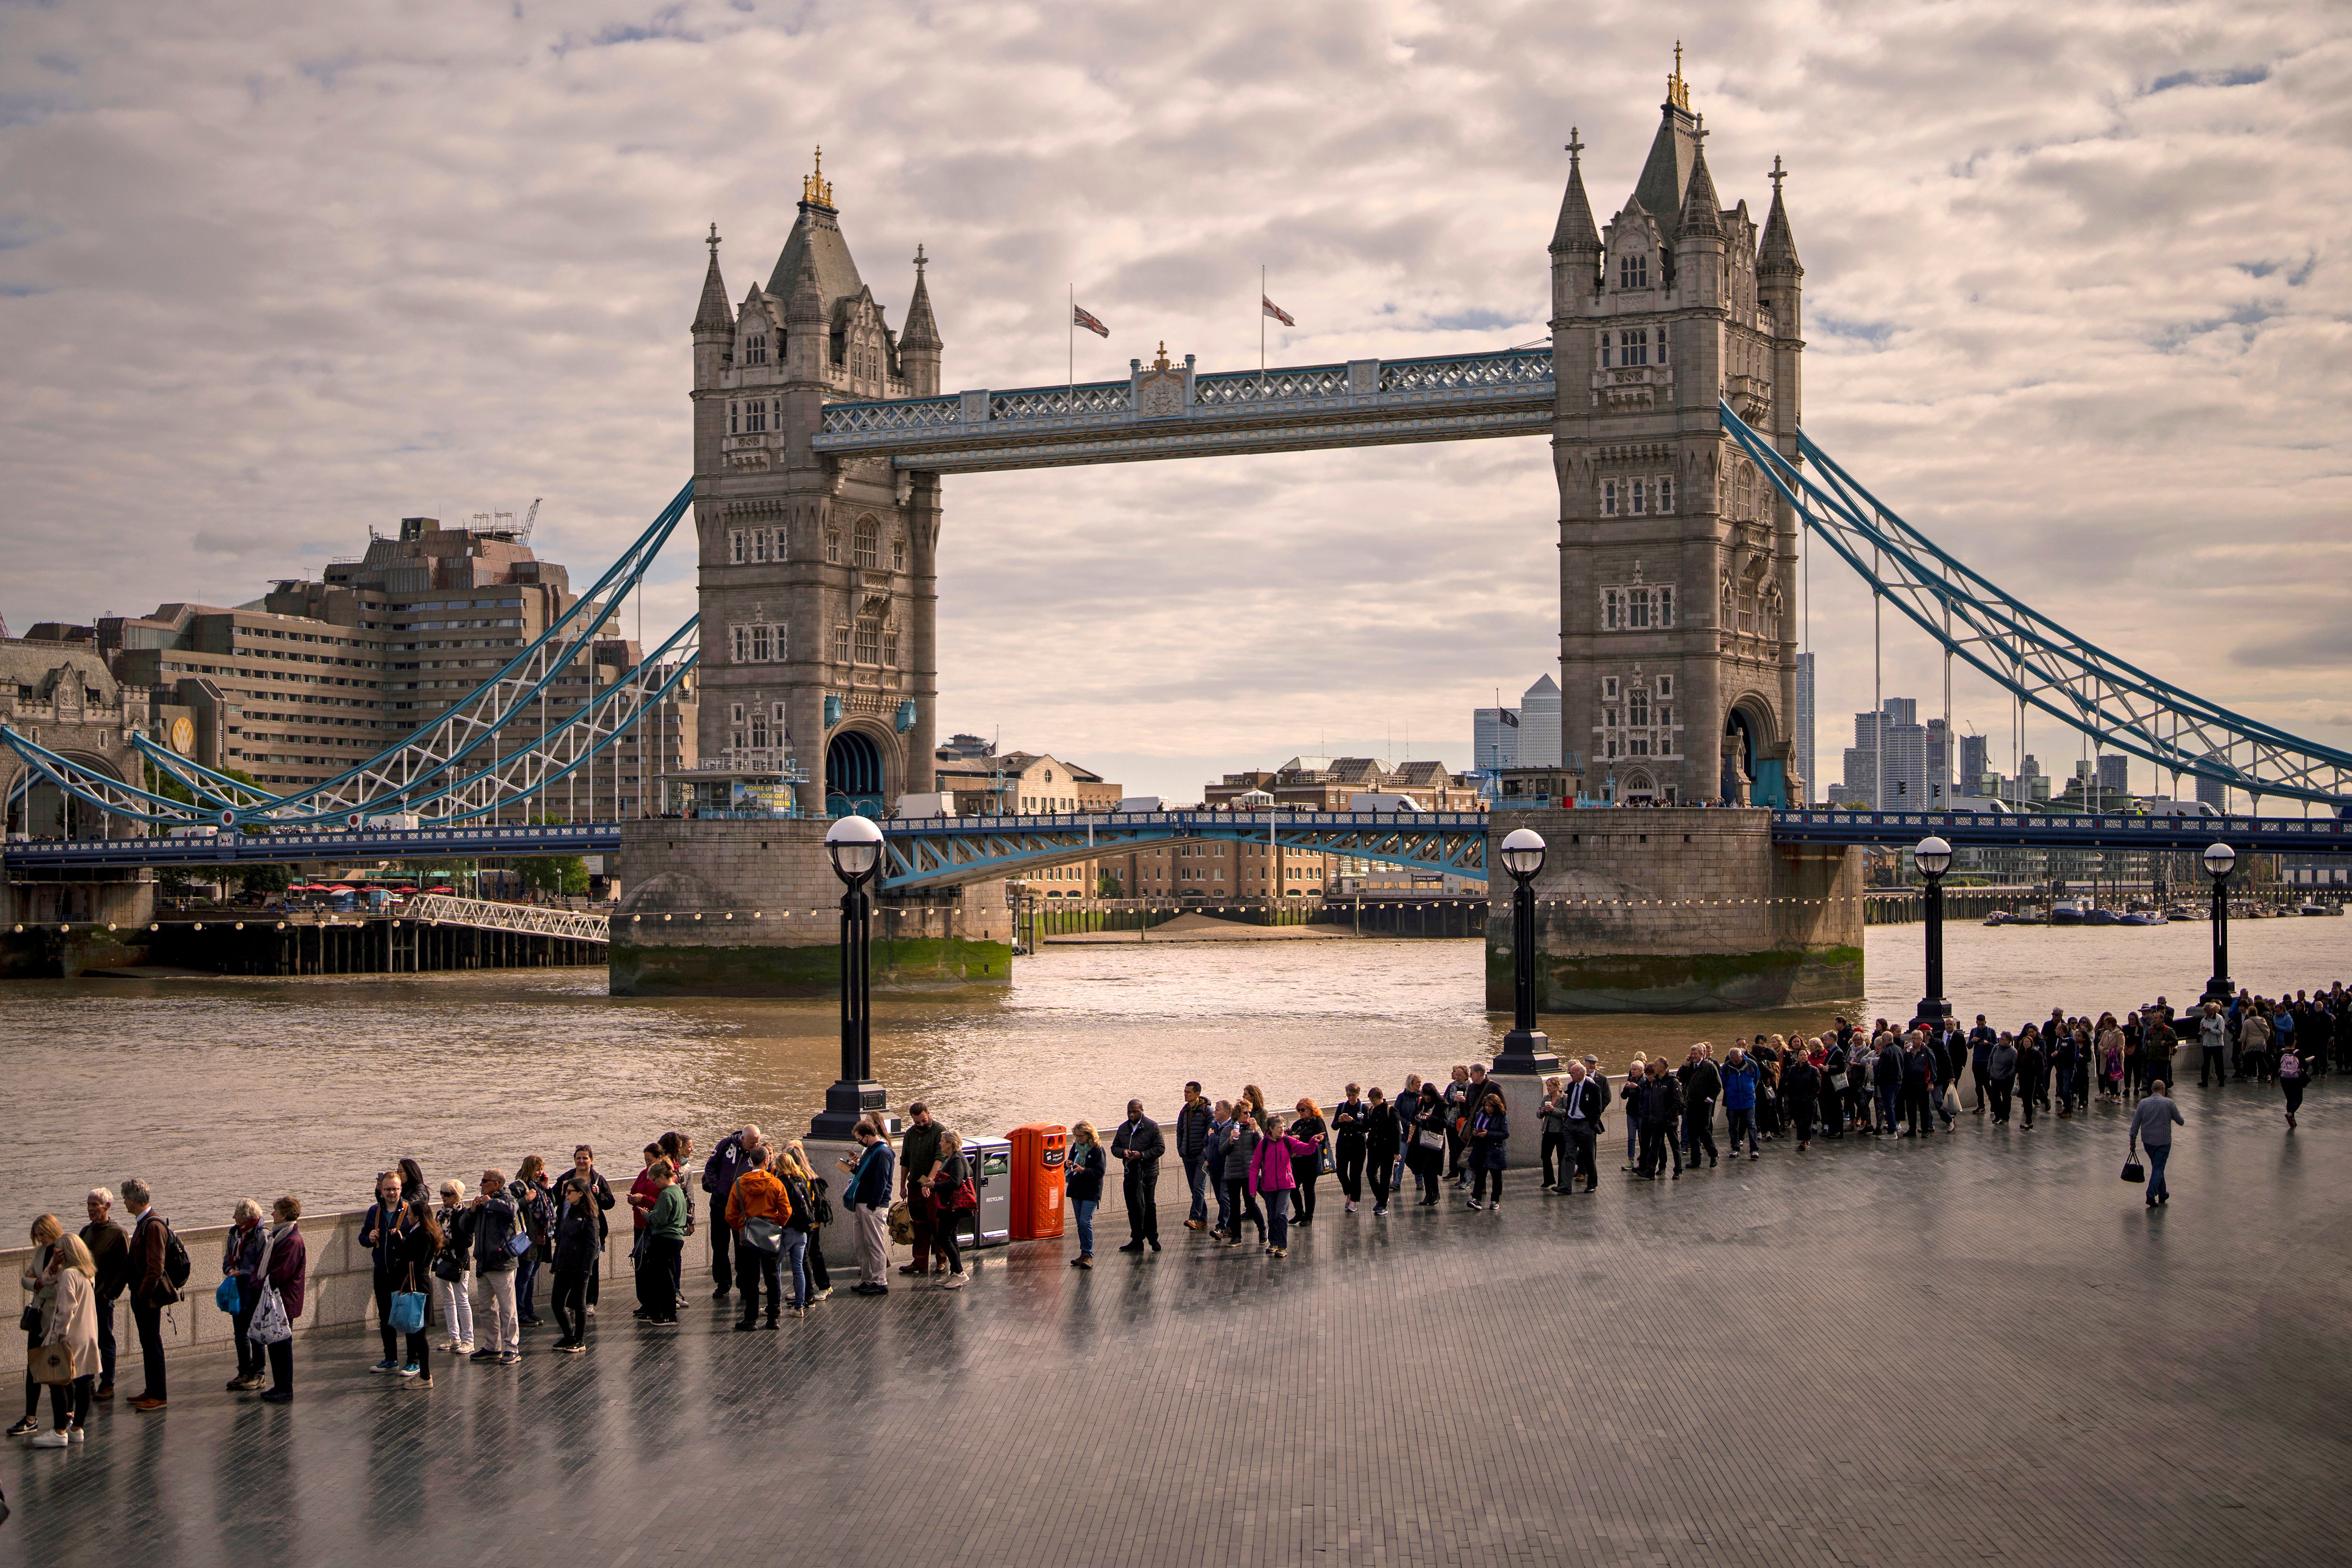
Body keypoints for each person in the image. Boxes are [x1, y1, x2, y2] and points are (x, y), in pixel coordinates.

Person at [27, 1234, 98, 1448]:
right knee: (84, 1380)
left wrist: (56, 1338)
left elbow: (66, 1310)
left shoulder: (68, 1274)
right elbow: (49, 1280)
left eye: (58, 1251)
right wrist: (55, 1265)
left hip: (69, 1335)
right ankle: (77, 1430)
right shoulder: (87, 1273)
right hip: (88, 1333)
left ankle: (59, 1432)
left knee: (56, 1380)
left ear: (65, 1251)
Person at [118, 1179, 176, 1413]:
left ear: (133, 1200)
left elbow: (156, 1268)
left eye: (125, 1198)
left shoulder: (152, 1226)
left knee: (153, 1345)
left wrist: (142, 1295)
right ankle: (151, 1390)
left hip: (148, 1298)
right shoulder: (145, 1223)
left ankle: (159, 1395)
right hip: (143, 1296)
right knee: (148, 1343)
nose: (124, 1202)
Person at [12, 1216, 64, 1439]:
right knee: (33, 1366)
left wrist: (38, 1283)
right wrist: (38, 1282)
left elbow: (58, 1288)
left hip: (55, 1319)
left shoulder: (62, 1252)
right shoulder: (41, 1252)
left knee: (58, 1369)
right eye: (37, 1235)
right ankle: (30, 1418)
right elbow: (26, 1279)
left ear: (52, 1230)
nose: (39, 1239)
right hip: (38, 1315)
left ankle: (67, 1416)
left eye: (42, 1234)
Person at [725, 1146, 788, 1327]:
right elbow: (786, 1211)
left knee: (750, 1277)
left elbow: (730, 1213)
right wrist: (777, 1225)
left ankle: (750, 1318)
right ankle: (773, 1317)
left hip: (748, 1236)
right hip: (770, 1235)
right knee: (772, 1276)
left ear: (750, 1161)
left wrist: (741, 1228)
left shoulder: (740, 1183)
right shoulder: (776, 1183)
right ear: (767, 1161)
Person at [700, 1125, 764, 1302]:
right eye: (752, 1142)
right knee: (719, 1246)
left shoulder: (758, 1153)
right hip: (720, 1205)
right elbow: (710, 1167)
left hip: (742, 1209)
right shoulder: (726, 1145)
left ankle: (744, 1284)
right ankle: (723, 1284)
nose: (755, 1146)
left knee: (742, 1246)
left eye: (757, 1142)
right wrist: (716, 1187)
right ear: (743, 1139)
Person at [77, 1189, 126, 1403]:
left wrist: (109, 1294)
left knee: (105, 1340)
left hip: (102, 1299)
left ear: (107, 1206)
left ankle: (108, 1384)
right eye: (88, 1205)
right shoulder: (86, 1232)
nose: (90, 1209)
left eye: (95, 1205)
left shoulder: (117, 1233)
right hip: (84, 1298)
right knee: (85, 1341)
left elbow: (124, 1269)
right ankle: (87, 1381)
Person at [468, 1170, 521, 1364]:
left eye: (485, 1181)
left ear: (496, 1184)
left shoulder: (506, 1197)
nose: (481, 1184)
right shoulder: (482, 1202)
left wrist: (488, 1202)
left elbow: (512, 1209)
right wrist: (471, 1211)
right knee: (487, 1308)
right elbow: (465, 1226)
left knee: (507, 1309)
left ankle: (512, 1348)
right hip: (484, 1263)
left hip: (502, 1263)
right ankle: (492, 1347)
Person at [257, 1196, 306, 1401]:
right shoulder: (281, 1236)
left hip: (284, 1301)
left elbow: (282, 1272)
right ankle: (280, 1386)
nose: (272, 1214)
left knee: (282, 1345)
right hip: (279, 1300)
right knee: (276, 1345)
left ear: (284, 1214)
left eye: (275, 1210)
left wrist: (262, 1283)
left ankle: (285, 1389)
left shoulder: (292, 1240)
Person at [839, 1117, 896, 1295]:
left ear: (867, 1136)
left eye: (859, 1138)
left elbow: (883, 1182)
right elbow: (866, 1174)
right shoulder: (870, 1150)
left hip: (873, 1206)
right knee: (861, 1245)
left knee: (875, 1245)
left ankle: (880, 1282)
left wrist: (872, 1205)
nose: (858, 1142)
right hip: (862, 1203)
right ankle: (867, 1279)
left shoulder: (882, 1152)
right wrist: (854, 1168)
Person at [358, 1171, 406, 1375]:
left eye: (395, 1189)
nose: (391, 1193)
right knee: (385, 1316)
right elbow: (362, 1238)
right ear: (381, 1190)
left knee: (408, 1315)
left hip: (403, 1272)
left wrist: (402, 1240)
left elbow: (420, 1240)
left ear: (401, 1189)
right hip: (381, 1271)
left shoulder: (409, 1210)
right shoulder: (374, 1211)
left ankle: (414, 1360)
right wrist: (369, 1238)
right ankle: (391, 1358)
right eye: (387, 1189)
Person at [221, 1198, 270, 1392]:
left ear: (247, 1216)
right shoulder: (234, 1234)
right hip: (238, 1291)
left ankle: (259, 1373)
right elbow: (227, 1258)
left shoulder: (262, 1235)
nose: (234, 1217)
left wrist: (244, 1272)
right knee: (240, 1334)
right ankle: (244, 1371)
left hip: (254, 1290)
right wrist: (229, 1270)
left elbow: (263, 1265)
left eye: (237, 1214)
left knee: (255, 1332)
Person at [1249, 1114, 1313, 1258]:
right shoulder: (1264, 1144)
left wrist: (1314, 1142)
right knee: (1272, 1216)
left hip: (1286, 1184)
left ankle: (1283, 1246)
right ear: (1271, 1129)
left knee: (1281, 1214)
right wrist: (1253, 1189)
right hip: (1269, 1186)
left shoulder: (1287, 1141)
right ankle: (1274, 1243)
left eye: (1284, 1126)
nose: (1283, 1129)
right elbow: (1254, 1167)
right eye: (1279, 1127)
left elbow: (1307, 1150)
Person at [549, 1175, 600, 1352]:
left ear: (580, 1194)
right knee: (557, 1303)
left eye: (570, 1192)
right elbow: (562, 1240)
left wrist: (586, 1270)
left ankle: (579, 1340)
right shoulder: (569, 1212)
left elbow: (592, 1245)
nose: (566, 1194)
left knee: (579, 1304)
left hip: (579, 1268)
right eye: (566, 1191)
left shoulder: (589, 1216)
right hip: (564, 1265)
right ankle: (568, 1336)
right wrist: (556, 1263)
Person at [635, 1158, 687, 1326]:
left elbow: (660, 1219)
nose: (655, 1184)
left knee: (664, 1278)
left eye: (655, 1180)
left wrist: (647, 1215)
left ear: (663, 1176)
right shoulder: (678, 1191)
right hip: (675, 1238)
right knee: (666, 1276)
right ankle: (661, 1311)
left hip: (665, 1238)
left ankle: (669, 1314)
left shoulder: (666, 1194)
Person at [1112, 1099, 1166, 1254]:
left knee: (1148, 1205)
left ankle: (1153, 1239)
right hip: (1130, 1173)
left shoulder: (1152, 1126)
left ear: (1142, 1111)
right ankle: (1137, 1239)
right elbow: (1114, 1147)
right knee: (1133, 1206)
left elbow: (1160, 1148)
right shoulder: (1123, 1128)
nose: (1132, 1115)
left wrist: (1142, 1155)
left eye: (1135, 1112)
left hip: (1148, 1173)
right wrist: (1123, 1152)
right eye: (1129, 1112)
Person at [567, 1146, 616, 1311]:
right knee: (571, 1266)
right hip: (571, 1229)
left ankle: (590, 1302)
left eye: (585, 1158)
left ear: (592, 1161)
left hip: (591, 1230)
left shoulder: (598, 1180)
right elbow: (555, 1197)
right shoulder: (568, 1178)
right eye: (578, 1158)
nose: (581, 1161)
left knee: (591, 1267)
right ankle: (571, 1302)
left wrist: (598, 1195)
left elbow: (610, 1203)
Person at [509, 1157, 556, 1328]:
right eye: (537, 1169)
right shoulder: (518, 1187)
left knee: (531, 1277)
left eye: (542, 1169)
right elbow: (509, 1207)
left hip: (540, 1238)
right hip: (527, 1239)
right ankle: (520, 1313)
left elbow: (552, 1206)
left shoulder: (539, 1187)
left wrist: (546, 1188)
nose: (541, 1173)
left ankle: (529, 1310)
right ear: (529, 1169)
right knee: (523, 1278)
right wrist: (526, 1200)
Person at [898, 1105, 944, 1280]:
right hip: (915, 1185)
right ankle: (920, 1261)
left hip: (932, 1186)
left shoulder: (939, 1131)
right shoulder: (910, 1134)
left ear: (929, 1114)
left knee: (936, 1223)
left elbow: (939, 1159)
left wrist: (928, 1183)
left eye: (924, 1121)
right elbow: (905, 1160)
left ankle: (941, 1259)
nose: (921, 1124)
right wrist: (903, 1185)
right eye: (917, 1122)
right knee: (919, 1223)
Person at [774, 1143, 820, 1315]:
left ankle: (775, 1305)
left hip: (787, 1230)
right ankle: (800, 1306)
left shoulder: (780, 1183)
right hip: (803, 1231)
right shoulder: (801, 1179)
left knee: (775, 1267)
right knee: (798, 1267)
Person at [431, 1180, 476, 1357]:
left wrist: (447, 1242)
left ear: (457, 1196)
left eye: (448, 1194)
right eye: (442, 1193)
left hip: (459, 1262)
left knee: (462, 1300)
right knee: (448, 1301)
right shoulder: (441, 1214)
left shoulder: (463, 1214)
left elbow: (468, 1242)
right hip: (442, 1260)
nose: (443, 1197)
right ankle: (454, 1337)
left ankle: (469, 1340)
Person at [928, 1131, 973, 1289]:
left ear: (950, 1143)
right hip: (950, 1205)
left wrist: (935, 1186)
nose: (940, 1144)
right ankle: (955, 1273)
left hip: (953, 1206)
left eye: (942, 1141)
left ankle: (960, 1273)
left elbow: (955, 1182)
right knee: (951, 1237)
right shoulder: (951, 1158)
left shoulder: (956, 1158)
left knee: (943, 1237)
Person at [2130, 1081, 2185, 1207]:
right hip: (2164, 1142)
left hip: (2148, 1143)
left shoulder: (2143, 1104)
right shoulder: (2169, 1103)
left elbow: (2135, 1125)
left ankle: (2163, 1194)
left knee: (2157, 1167)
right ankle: (2151, 1194)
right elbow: (2181, 1121)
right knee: (2159, 1168)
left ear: (2152, 1089)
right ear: (2163, 1090)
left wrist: (2132, 1142)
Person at [1557, 1061, 1605, 1192]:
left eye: (1572, 1073)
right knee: (1569, 1154)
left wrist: (1592, 1124)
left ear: (1581, 1074)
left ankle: (1592, 1185)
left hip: (1585, 1125)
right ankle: (1565, 1186)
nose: (1570, 1075)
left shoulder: (1593, 1087)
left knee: (1589, 1155)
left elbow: (1597, 1108)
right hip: (1571, 1124)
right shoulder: (1572, 1085)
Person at [1173, 1082, 1214, 1232]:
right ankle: (1203, 1220)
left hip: (1201, 1158)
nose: (1185, 1094)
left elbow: (1212, 1132)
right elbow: (1179, 1131)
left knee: (1199, 1187)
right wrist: (1181, 1150)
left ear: (1197, 1094)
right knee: (1194, 1189)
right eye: (1184, 1092)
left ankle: (1194, 1218)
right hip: (1187, 1156)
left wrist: (1206, 1153)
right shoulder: (1184, 1111)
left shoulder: (1207, 1111)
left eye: (1188, 1092)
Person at [1221, 1110, 1266, 1246]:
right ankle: (1237, 1236)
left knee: (1251, 1204)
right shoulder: (1228, 1129)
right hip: (1233, 1173)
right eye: (1245, 1112)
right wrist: (1230, 1140)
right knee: (1234, 1205)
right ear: (1237, 1114)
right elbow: (1222, 1151)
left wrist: (1256, 1131)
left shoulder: (1254, 1129)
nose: (1248, 1115)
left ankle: (1263, 1230)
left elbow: (1263, 1147)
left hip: (1250, 1173)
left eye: (1249, 1112)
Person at [1465, 1090, 1510, 1210]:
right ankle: (1476, 1199)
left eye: (1490, 1106)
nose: (1488, 1108)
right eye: (1486, 1106)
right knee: (1480, 1175)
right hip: (1481, 1148)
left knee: (1496, 1176)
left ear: (1496, 1106)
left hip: (1495, 1150)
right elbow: (1476, 1126)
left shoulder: (1502, 1116)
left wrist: (1489, 1134)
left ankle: (1495, 1200)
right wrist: (1475, 1132)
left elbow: (1505, 1134)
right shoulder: (1481, 1113)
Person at [1287, 1099, 1328, 1225]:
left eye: (1303, 1110)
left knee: (1309, 1188)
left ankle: (1309, 1217)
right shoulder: (1298, 1123)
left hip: (1311, 1160)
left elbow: (1322, 1137)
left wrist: (1301, 1138)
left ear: (1311, 1109)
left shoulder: (1318, 1121)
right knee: (1292, 1188)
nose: (1301, 1112)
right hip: (1297, 1161)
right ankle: (1300, 1213)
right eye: (1299, 1110)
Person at [1406, 1085, 1447, 1207]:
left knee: (1432, 1168)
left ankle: (1436, 1193)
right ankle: (1428, 1194)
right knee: (1424, 1167)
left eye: (1429, 1095)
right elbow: (1412, 1118)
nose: (1427, 1097)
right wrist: (1419, 1117)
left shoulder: (1442, 1105)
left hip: (1434, 1141)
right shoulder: (1421, 1103)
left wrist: (1431, 1118)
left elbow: (1445, 1122)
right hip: (1421, 1140)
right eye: (1425, 1095)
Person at [1332, 1084, 1369, 1214]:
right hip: (1343, 1144)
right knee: (1341, 1171)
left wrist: (1353, 1121)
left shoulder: (1363, 1107)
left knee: (1355, 1174)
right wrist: (1341, 1121)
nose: (1351, 1098)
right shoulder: (1342, 1106)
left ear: (1358, 1095)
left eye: (1353, 1095)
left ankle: (1354, 1200)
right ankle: (1348, 1192)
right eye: (1349, 1095)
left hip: (1358, 1145)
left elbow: (1366, 1128)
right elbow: (1334, 1126)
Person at [1682, 1046, 1721, 1168]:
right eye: (1691, 1054)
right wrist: (1684, 1065)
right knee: (1692, 1132)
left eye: (1695, 1054)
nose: (1693, 1056)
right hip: (1691, 1104)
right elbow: (1681, 1078)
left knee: (1704, 1131)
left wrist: (1709, 1099)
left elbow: (1717, 1085)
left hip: (1704, 1105)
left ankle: (1713, 1154)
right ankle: (1696, 1160)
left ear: (1702, 1054)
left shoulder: (1709, 1067)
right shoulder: (1690, 1067)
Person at [1364, 1089, 1401, 1216]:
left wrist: (1396, 1152)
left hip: (1387, 1150)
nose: (1372, 1102)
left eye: (1373, 1099)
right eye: (1370, 1100)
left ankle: (1383, 1204)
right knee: (1370, 1173)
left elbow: (1397, 1132)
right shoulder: (1372, 1110)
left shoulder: (1391, 1110)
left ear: (1380, 1097)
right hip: (1374, 1148)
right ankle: (1382, 1198)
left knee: (1385, 1177)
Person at [1719, 1047, 1759, 1160]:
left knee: (1751, 1125)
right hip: (1733, 1101)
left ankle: (1754, 1149)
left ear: (1742, 1056)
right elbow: (1723, 1083)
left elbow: (1757, 1079)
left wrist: (1750, 1091)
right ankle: (1735, 1148)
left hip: (1748, 1100)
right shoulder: (1727, 1067)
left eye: (1736, 1060)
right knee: (1733, 1126)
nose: (1735, 1062)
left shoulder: (1751, 1064)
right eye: (1732, 1060)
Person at [1203, 1102, 1235, 1239]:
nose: (1215, 1112)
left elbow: (1226, 1143)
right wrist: (1206, 1158)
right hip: (1213, 1167)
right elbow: (1206, 1143)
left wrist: (1212, 1137)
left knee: (1224, 1197)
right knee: (1221, 1199)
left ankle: (1221, 1227)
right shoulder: (1213, 1125)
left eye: (1218, 1110)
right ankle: (1231, 1225)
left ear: (1227, 1112)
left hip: (1226, 1168)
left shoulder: (1232, 1127)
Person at [2278, 1036, 2307, 1130]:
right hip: (2296, 1079)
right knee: (2298, 1100)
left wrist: (2273, 1079)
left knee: (2289, 1099)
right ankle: (2290, 1114)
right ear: (2294, 1043)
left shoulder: (2281, 1052)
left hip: (2284, 1079)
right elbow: (2305, 1065)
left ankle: (2292, 1119)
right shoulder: (2298, 1053)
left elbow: (2275, 1066)